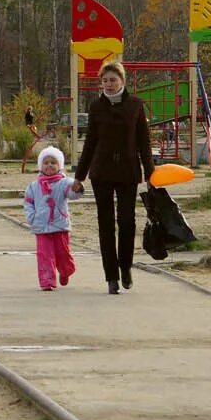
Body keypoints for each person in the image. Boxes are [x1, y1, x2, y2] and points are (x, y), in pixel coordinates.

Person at [73, 62, 154, 295]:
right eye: (105, 81)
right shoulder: (96, 107)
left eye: (112, 80)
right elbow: (90, 143)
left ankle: (125, 266)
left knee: (127, 222)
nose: (108, 84)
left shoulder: (136, 106)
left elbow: (144, 143)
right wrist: (80, 176)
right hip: (102, 172)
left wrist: (151, 174)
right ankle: (111, 276)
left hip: (128, 171)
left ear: (122, 81)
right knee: (105, 224)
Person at [23, 145, 77, 291]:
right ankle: (47, 281)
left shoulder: (64, 182)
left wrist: (77, 188)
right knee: (44, 255)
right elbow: (28, 203)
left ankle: (66, 270)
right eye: (46, 163)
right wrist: (31, 217)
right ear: (41, 166)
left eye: (53, 162)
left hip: (60, 225)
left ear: (59, 166)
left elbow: (72, 193)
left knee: (62, 253)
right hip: (41, 226)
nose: (49, 165)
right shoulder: (33, 186)